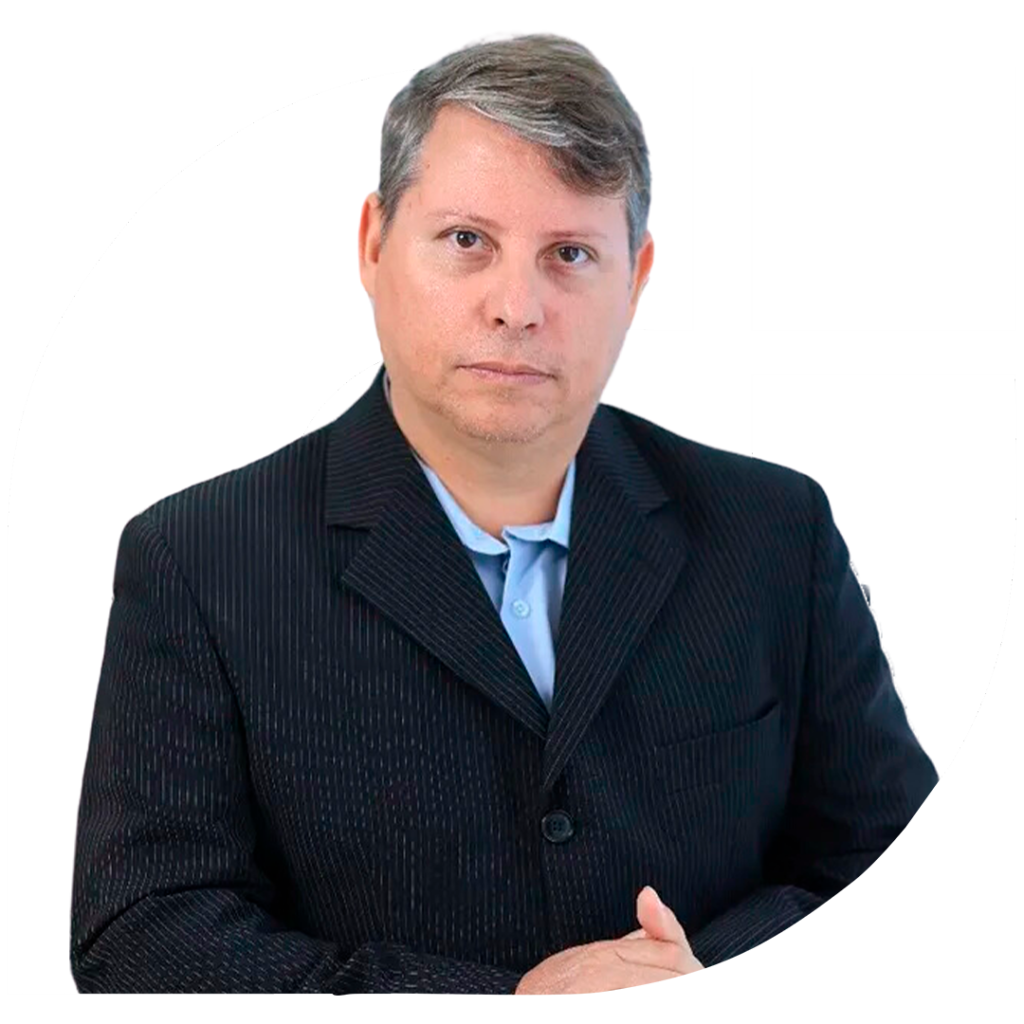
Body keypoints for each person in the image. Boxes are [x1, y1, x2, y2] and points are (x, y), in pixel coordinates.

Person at [70, 33, 938, 994]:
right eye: (466, 241)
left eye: (569, 254)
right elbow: (143, 937)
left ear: (636, 276)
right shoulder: (199, 559)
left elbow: (875, 847)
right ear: (373, 244)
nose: (516, 306)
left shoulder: (774, 528)